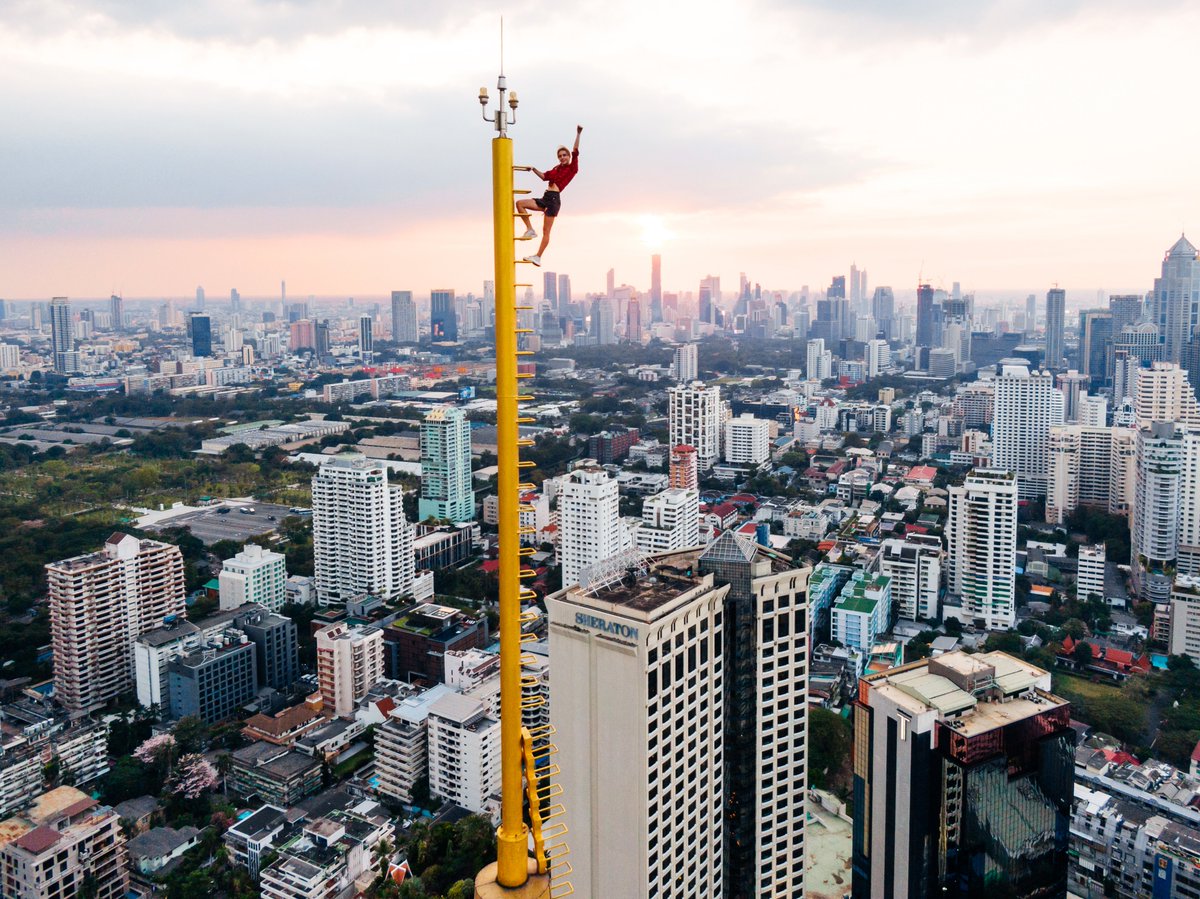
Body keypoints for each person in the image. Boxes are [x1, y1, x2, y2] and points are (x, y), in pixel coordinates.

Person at [517, 125, 582, 266]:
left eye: (564, 155)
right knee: (520, 204)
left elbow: (575, 150)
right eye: (560, 156)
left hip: (553, 200)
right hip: (545, 198)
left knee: (546, 231)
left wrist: (578, 134)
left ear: (569, 156)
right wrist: (533, 169)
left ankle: (538, 256)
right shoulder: (555, 169)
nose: (562, 157)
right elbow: (544, 177)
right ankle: (530, 229)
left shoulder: (572, 168)